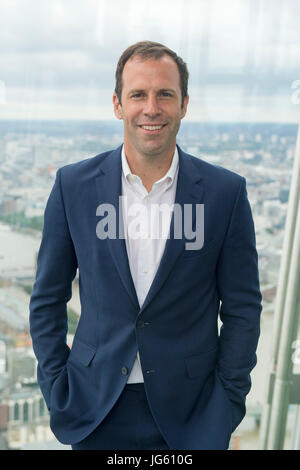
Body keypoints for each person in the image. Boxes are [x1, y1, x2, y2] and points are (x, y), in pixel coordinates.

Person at [29, 41, 262, 450]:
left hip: (192, 415)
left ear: (184, 104)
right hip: (93, 408)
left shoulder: (226, 193)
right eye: (138, 94)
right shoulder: (73, 187)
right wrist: (56, 387)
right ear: (118, 105)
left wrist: (228, 402)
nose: (151, 108)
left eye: (165, 94)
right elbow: (47, 299)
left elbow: (243, 307)